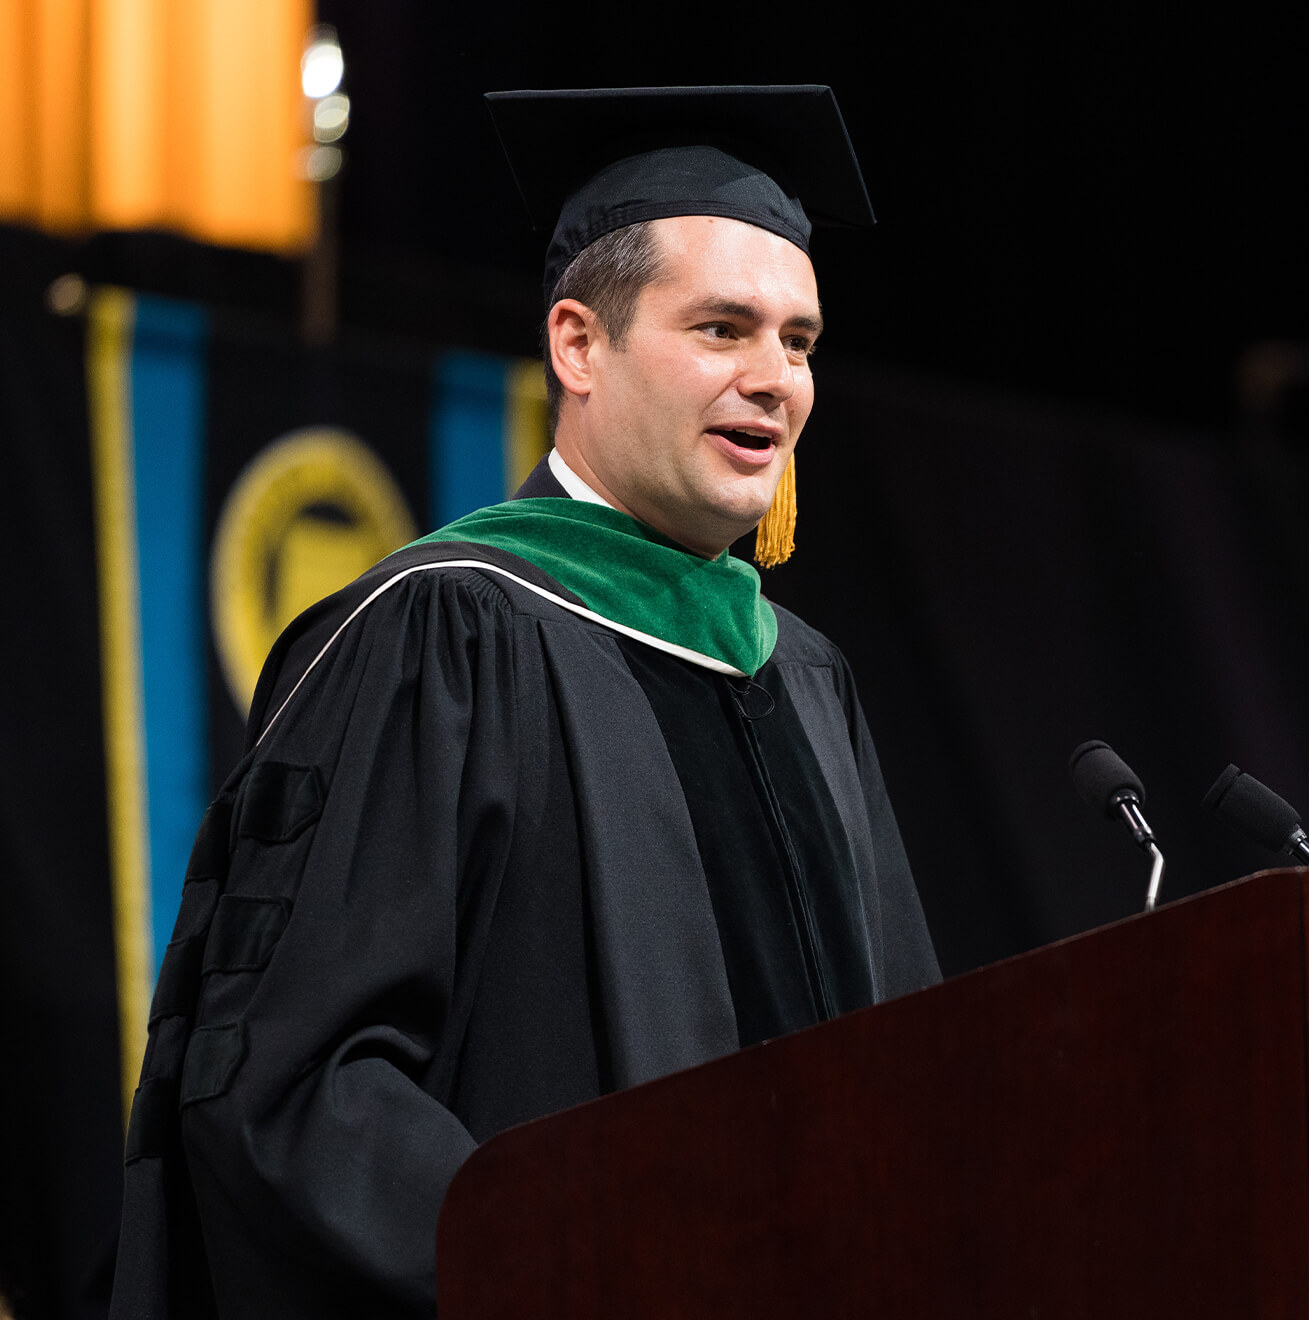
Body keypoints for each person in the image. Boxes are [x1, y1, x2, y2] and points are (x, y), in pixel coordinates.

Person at [110, 86, 939, 1320]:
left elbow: (914, 1071)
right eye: (722, 328)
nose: (774, 379)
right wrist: (583, 1258)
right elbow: (297, 1086)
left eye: (799, 341)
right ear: (577, 345)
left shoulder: (803, 679)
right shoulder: (438, 639)